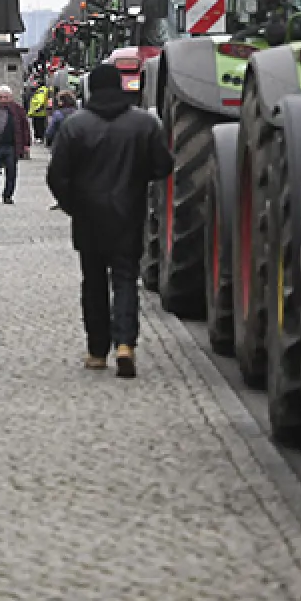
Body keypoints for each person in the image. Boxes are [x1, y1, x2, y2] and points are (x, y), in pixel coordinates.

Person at [46, 64, 173, 378]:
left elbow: (56, 175)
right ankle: (125, 344)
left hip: (88, 217)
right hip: (129, 213)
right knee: (126, 278)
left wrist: (72, 204)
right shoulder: (143, 124)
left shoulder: (75, 126)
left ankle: (97, 350)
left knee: (94, 283)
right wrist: (139, 176)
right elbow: (164, 166)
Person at [0, 84, 30, 203]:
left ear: (11, 97)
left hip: (11, 145)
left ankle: (7, 195)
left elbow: (25, 127)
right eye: (1, 97)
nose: (3, 100)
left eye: (6, 97)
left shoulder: (18, 110)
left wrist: (26, 144)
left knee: (11, 172)